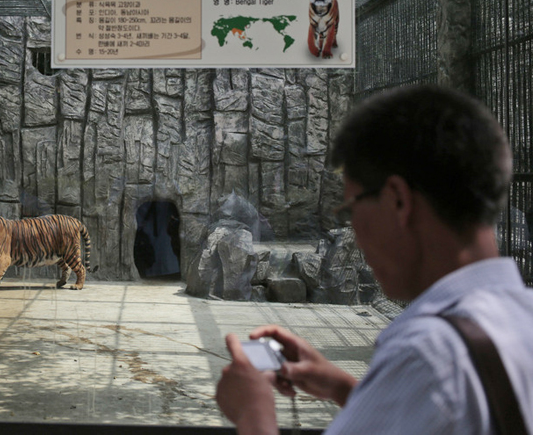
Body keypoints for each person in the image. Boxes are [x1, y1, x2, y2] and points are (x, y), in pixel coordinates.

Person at [215, 84, 533, 434]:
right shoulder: (521, 317)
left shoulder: (425, 353)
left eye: (352, 208)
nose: (356, 233)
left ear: (398, 200)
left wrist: (252, 413)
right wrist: (344, 389)